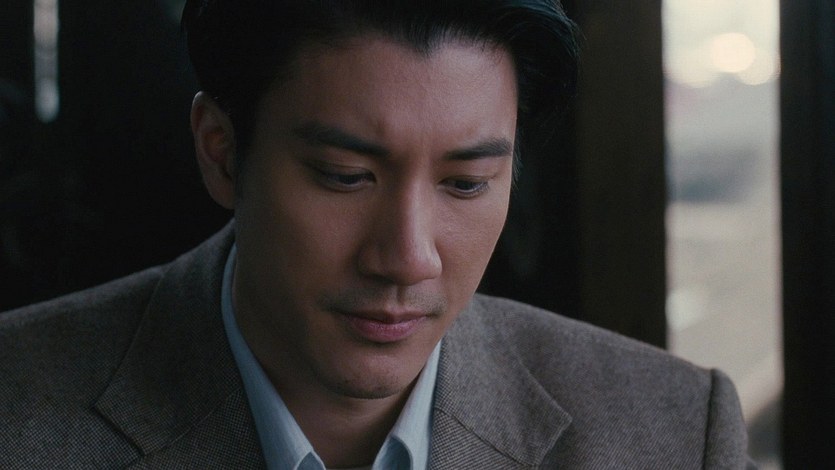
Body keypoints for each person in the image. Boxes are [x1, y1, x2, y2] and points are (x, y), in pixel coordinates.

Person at [0, 1, 755, 468]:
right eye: (345, 176)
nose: (407, 258)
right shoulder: (20, 410)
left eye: (465, 182)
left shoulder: (673, 433)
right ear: (222, 151)